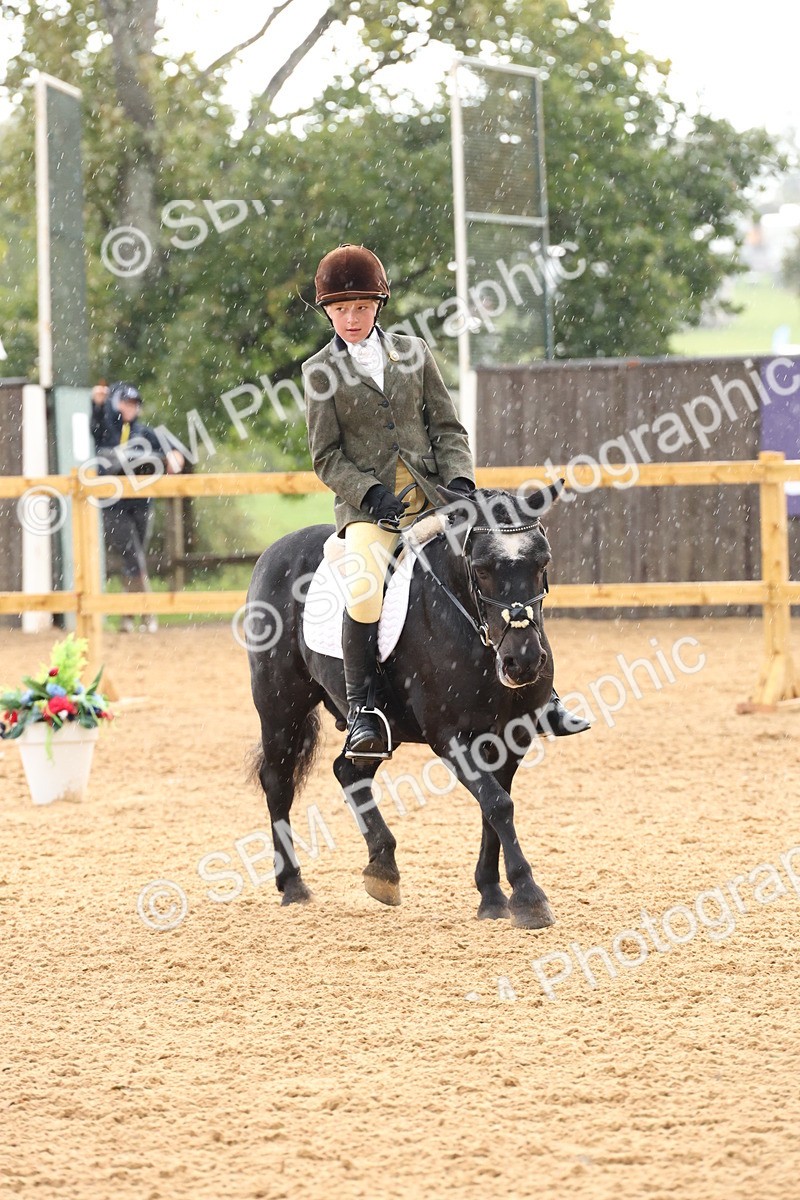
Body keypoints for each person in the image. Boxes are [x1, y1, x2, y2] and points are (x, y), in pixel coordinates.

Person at [303, 243, 588, 760]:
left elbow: (447, 428)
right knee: (364, 592)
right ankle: (363, 711)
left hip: (438, 499)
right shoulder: (319, 371)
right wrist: (369, 493)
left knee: (507, 565)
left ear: (378, 306)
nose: (352, 318)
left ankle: (542, 695)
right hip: (371, 512)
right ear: (328, 312)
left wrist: (459, 481)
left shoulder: (412, 352)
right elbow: (326, 457)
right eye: (341, 309)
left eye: (362, 307)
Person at [90, 380, 184, 633]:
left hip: (141, 505)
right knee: (134, 557)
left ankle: (127, 616)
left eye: (134, 403)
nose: (130, 407)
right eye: (126, 402)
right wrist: (97, 405)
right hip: (113, 506)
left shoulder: (146, 434)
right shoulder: (107, 429)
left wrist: (174, 455)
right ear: (117, 403)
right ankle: (148, 612)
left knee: (133, 560)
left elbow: (174, 452)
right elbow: (96, 427)